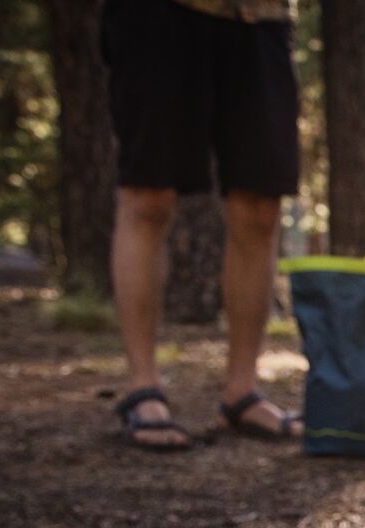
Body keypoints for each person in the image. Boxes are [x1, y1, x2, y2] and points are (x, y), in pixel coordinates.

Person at [101, 0, 302, 450]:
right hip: (159, 15)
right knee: (148, 194)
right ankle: (142, 386)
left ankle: (242, 390)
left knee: (260, 204)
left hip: (260, 17)